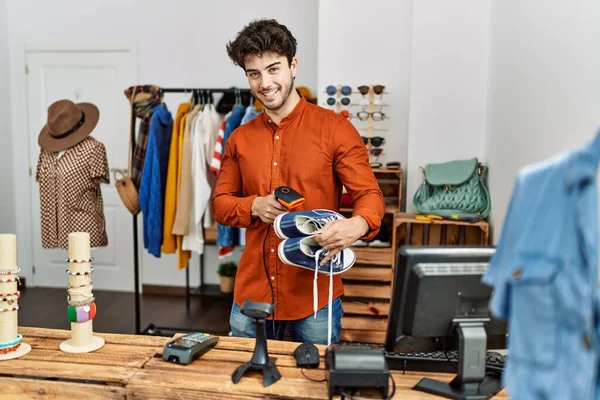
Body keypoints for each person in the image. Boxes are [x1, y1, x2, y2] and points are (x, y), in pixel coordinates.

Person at [213, 18, 385, 345]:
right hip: (252, 296)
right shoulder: (238, 139)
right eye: (254, 73)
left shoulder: (335, 130)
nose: (265, 82)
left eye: (274, 69)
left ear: (293, 66)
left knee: (312, 389)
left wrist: (357, 225)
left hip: (315, 296)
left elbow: (370, 196)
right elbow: (221, 205)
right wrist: (254, 206)